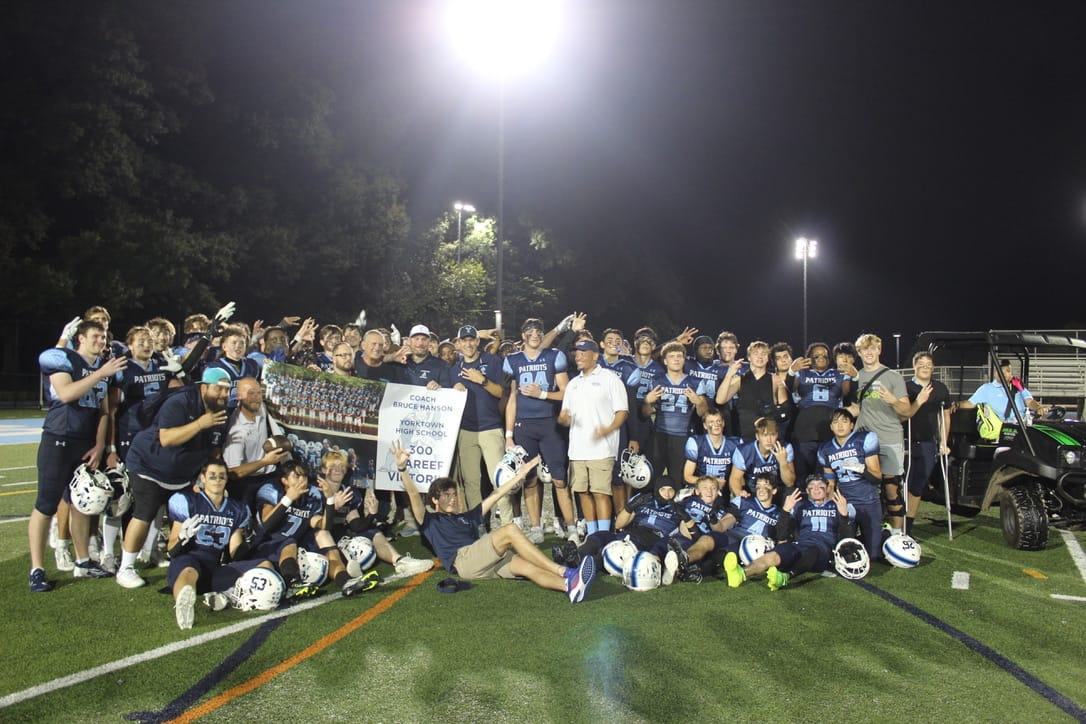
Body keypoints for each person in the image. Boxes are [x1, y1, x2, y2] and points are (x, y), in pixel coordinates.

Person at [395, 441, 596, 603]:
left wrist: (521, 474)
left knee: (527, 567)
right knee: (509, 530)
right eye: (446, 496)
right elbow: (413, 494)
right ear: (434, 500)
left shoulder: (467, 516)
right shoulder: (430, 520)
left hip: (484, 560)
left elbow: (498, 493)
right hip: (464, 560)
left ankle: (570, 587)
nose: (452, 499)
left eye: (453, 495)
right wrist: (403, 468)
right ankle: (566, 572)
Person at [30, 320, 127, 591]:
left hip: (85, 444)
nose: (100, 341)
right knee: (46, 504)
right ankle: (37, 569)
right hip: (59, 438)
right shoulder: (64, 360)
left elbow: (105, 412)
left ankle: (83, 561)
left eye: (103, 337)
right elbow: (66, 393)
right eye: (95, 336)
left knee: (82, 502)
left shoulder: (102, 368)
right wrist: (100, 374)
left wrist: (99, 446)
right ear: (80, 338)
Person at [116, 368, 231, 589]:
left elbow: (214, 450)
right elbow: (167, 438)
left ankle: (159, 553)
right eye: (219, 389)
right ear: (204, 387)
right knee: (145, 511)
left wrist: (204, 478)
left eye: (227, 390)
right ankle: (126, 567)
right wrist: (200, 424)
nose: (223, 395)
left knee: (184, 515)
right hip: (149, 465)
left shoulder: (221, 413)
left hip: (183, 473)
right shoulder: (180, 401)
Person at [166, 459, 266, 629]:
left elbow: (235, 552)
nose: (218, 480)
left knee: (264, 564)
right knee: (189, 572)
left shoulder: (237, 509)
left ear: (227, 480)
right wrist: (183, 537)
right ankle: (184, 605)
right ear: (203, 478)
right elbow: (171, 551)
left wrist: (250, 542)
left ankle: (225, 595)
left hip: (214, 568)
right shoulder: (188, 501)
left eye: (222, 476)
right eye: (212, 476)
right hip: (187, 561)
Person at [503, 317, 574, 544]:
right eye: (530, 331)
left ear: (543, 334)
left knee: (559, 479)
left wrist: (541, 394)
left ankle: (570, 526)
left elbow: (566, 392)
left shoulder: (554, 356)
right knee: (530, 479)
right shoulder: (512, 360)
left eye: (538, 331)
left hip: (549, 424)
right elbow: (511, 400)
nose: (534, 334)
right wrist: (508, 435)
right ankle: (536, 526)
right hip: (524, 425)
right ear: (523, 335)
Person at [724, 476, 854, 591]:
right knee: (775, 554)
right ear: (807, 491)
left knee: (812, 551)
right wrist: (786, 511)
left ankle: (785, 577)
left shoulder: (838, 504)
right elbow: (781, 535)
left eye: (820, 486)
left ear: (827, 489)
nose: (816, 489)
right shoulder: (799, 506)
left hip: (823, 549)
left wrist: (844, 515)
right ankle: (740, 574)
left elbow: (848, 539)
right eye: (811, 487)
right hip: (800, 544)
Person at [316, 450, 433, 577]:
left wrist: (372, 514)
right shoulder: (315, 491)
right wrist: (333, 507)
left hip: (340, 536)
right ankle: (345, 569)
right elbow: (314, 525)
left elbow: (356, 526)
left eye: (341, 466)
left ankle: (400, 561)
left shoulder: (348, 492)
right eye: (332, 467)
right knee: (324, 534)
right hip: (317, 538)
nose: (338, 470)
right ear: (323, 470)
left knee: (374, 531)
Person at [558, 339, 629, 540]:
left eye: (583, 352)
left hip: (602, 449)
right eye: (576, 353)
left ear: (595, 356)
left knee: (600, 493)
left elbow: (622, 412)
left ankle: (604, 535)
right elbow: (566, 415)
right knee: (582, 493)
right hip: (577, 449)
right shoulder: (573, 384)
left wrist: (608, 429)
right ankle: (592, 534)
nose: (578, 357)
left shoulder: (610, 379)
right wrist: (563, 419)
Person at [848, 333, 911, 536]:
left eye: (872, 348)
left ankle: (897, 535)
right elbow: (860, 408)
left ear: (879, 350)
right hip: (864, 441)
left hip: (889, 439)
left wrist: (893, 400)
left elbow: (906, 411)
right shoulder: (857, 377)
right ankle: (868, 531)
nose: (869, 352)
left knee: (891, 488)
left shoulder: (893, 376)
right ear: (859, 353)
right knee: (865, 488)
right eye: (864, 349)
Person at [450, 324, 511, 525]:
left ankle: (507, 525)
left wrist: (482, 380)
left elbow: (501, 393)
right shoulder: (453, 371)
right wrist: (451, 389)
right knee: (471, 482)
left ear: (477, 342)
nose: (468, 344)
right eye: (464, 340)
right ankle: (476, 526)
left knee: (499, 480)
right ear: (458, 344)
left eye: (471, 339)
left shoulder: (492, 361)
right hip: (466, 431)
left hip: (490, 428)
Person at [819, 408, 883, 560]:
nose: (840, 425)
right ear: (831, 427)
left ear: (852, 425)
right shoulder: (825, 449)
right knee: (847, 552)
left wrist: (861, 469)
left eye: (844, 421)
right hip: (847, 504)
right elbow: (830, 482)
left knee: (873, 555)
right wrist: (828, 504)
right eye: (836, 422)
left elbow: (877, 477)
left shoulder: (865, 438)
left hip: (869, 501)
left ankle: (882, 535)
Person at [643, 340, 708, 481]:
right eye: (672, 356)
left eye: (679, 356)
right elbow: (645, 413)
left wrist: (698, 402)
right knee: (654, 477)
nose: (676, 359)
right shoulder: (657, 381)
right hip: (659, 434)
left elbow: (703, 414)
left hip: (683, 436)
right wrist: (647, 401)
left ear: (684, 360)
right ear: (665, 361)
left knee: (678, 478)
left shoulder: (695, 382)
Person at [222, 377, 291, 507]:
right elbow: (234, 472)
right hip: (246, 482)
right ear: (238, 396)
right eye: (251, 393)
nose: (256, 397)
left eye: (259, 393)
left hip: (269, 476)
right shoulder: (236, 431)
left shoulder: (261, 408)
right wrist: (265, 461)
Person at [904, 352, 952, 535]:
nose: (925, 367)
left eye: (928, 364)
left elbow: (945, 416)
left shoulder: (940, 389)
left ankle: (907, 526)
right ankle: (894, 523)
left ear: (933, 367)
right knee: (902, 483)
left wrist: (943, 442)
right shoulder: (906, 387)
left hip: (927, 443)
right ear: (914, 366)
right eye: (921, 363)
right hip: (906, 440)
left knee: (917, 485)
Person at [789, 342, 851, 482]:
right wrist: (792, 372)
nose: (821, 358)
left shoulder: (839, 373)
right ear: (809, 358)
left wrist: (852, 376)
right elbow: (789, 389)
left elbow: (847, 393)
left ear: (830, 358)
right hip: (805, 428)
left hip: (829, 427)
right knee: (803, 472)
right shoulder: (801, 372)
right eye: (816, 355)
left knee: (824, 471)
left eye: (824, 355)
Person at [716, 340, 789, 442]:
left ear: (767, 358)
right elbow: (720, 400)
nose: (760, 357)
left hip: (768, 436)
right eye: (756, 354)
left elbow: (784, 410)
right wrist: (729, 375)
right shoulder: (739, 380)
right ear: (749, 357)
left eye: (763, 354)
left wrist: (767, 419)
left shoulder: (775, 379)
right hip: (746, 434)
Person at [958, 358, 1049, 422]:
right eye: (1002, 371)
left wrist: (1038, 407)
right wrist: (957, 404)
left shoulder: (1017, 386)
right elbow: (970, 403)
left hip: (1022, 424)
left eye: (1008, 371)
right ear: (995, 373)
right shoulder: (987, 389)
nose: (1005, 373)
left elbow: (1029, 401)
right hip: (1003, 427)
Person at [728, 417, 796, 498]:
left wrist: (783, 463)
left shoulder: (785, 448)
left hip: (775, 492)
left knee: (790, 492)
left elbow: (789, 483)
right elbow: (735, 479)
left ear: (777, 435)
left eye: (772, 435)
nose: (769, 440)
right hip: (753, 492)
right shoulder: (744, 451)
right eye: (765, 435)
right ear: (757, 436)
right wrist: (739, 492)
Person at [683, 408, 740, 488]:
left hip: (724, 489)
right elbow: (688, 476)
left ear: (723, 423)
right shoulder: (696, 442)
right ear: (705, 425)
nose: (716, 424)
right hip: (701, 488)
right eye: (711, 422)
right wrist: (712, 482)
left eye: (718, 421)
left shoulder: (734, 444)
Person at [404, 324, 451, 389]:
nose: (420, 343)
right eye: (416, 339)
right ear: (409, 341)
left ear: (429, 342)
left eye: (424, 339)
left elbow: (448, 391)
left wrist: (439, 388)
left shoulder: (442, 365)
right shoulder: (399, 363)